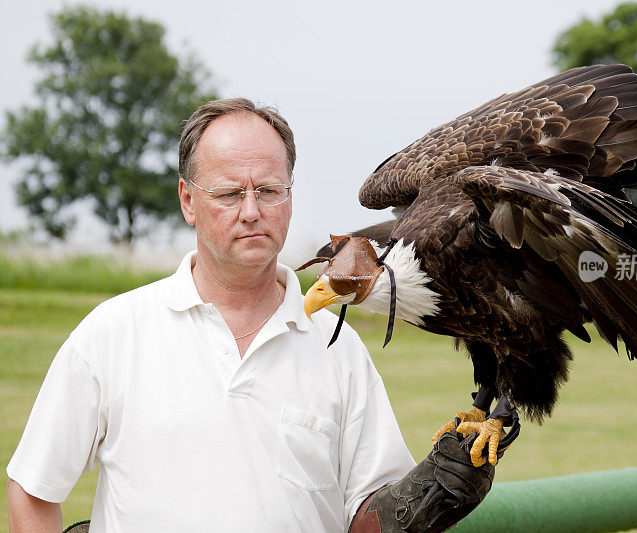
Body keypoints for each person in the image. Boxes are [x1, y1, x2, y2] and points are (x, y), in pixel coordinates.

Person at [6, 98, 497, 532]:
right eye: (228, 193)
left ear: (289, 197)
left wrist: (420, 502)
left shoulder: (337, 348)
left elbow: (369, 515)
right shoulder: (113, 334)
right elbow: (32, 491)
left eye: (268, 190)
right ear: (187, 200)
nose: (250, 211)